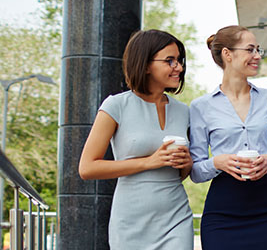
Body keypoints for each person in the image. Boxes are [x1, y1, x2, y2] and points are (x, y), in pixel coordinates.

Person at [77, 29, 194, 249]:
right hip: (130, 221)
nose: (178, 67)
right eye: (169, 60)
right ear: (146, 64)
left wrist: (187, 164)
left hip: (176, 217)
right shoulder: (116, 105)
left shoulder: (184, 111)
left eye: (179, 61)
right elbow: (87, 168)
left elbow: (180, 174)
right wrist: (149, 162)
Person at [189, 25, 267, 249]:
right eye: (250, 49)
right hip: (221, 216)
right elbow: (194, 172)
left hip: (265, 212)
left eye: (258, 50)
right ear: (228, 54)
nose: (257, 56)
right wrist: (217, 162)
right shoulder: (200, 107)